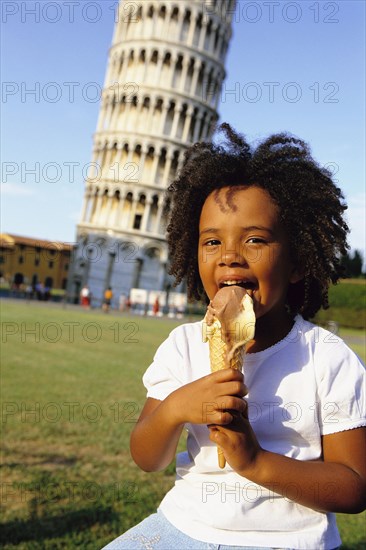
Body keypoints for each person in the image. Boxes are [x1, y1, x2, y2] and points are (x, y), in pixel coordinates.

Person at [102, 124, 365, 550]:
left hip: (288, 541)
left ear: (297, 263)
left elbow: (354, 487)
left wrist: (256, 461)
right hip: (183, 525)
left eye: (255, 239)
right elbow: (147, 458)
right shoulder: (183, 345)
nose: (229, 255)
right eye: (211, 242)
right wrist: (173, 410)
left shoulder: (327, 357)